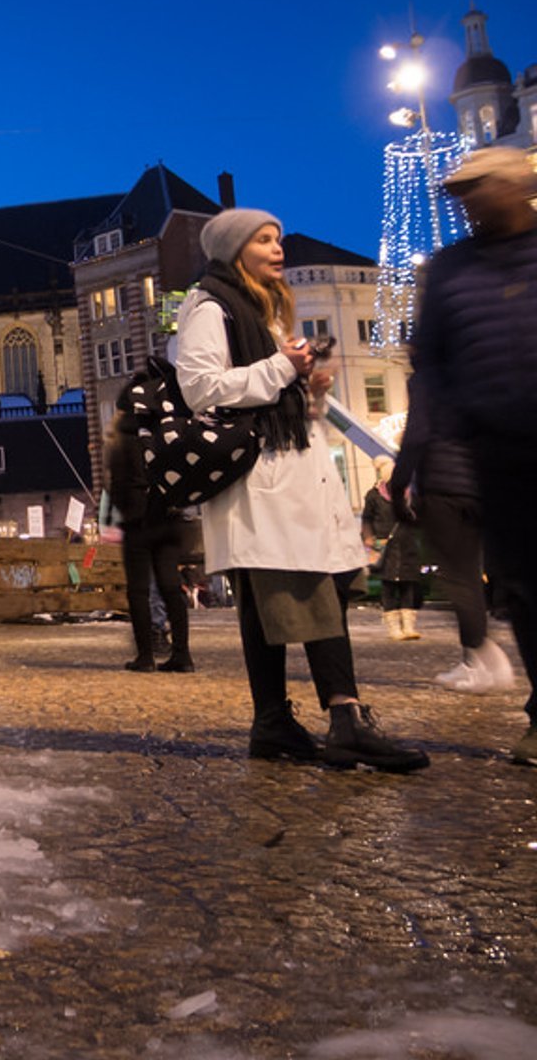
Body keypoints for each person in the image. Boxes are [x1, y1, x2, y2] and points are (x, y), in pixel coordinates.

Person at [176, 207, 427, 771]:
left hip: (288, 477)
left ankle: (273, 723)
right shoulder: (210, 306)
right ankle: (346, 719)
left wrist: (306, 388)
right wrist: (281, 369)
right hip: (262, 483)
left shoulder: (260, 311)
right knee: (308, 594)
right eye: (263, 240)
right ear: (234, 250)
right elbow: (199, 387)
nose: (276, 248)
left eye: (278, 238)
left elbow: (268, 390)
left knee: (277, 605)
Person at [393, 146, 537, 763]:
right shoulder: (451, 268)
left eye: (481, 188)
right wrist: (456, 426)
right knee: (524, 590)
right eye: (462, 193)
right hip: (496, 451)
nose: (470, 202)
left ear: (517, 185)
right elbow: (431, 359)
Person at [393, 367, 512, 692]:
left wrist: (399, 481)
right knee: (470, 576)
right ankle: (473, 661)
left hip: (443, 489)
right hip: (478, 486)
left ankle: (483, 655)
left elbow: (416, 433)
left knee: (456, 577)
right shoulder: (470, 373)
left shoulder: (427, 377)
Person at [106, 392, 194, 672]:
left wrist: (128, 509)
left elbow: (116, 486)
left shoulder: (121, 441)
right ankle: (182, 655)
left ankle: (145, 656)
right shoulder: (164, 432)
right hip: (168, 518)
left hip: (138, 523)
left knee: (139, 591)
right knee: (171, 586)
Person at [359, 463, 423, 641]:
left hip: (407, 545)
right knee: (388, 586)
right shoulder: (374, 496)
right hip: (384, 546)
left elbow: (419, 518)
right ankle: (394, 628)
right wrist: (368, 538)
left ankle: (409, 626)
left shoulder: (410, 496)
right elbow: (367, 519)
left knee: (407, 584)